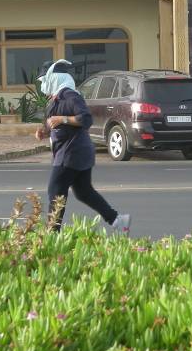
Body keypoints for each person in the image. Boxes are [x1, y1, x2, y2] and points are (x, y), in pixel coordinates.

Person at [34, 59, 131, 234]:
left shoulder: (70, 96)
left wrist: (63, 119)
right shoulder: (55, 100)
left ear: (55, 78)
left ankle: (52, 235)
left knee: (55, 191)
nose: (43, 85)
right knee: (83, 192)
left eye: (44, 80)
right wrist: (44, 132)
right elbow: (54, 124)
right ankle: (118, 220)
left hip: (71, 153)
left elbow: (86, 119)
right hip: (77, 153)